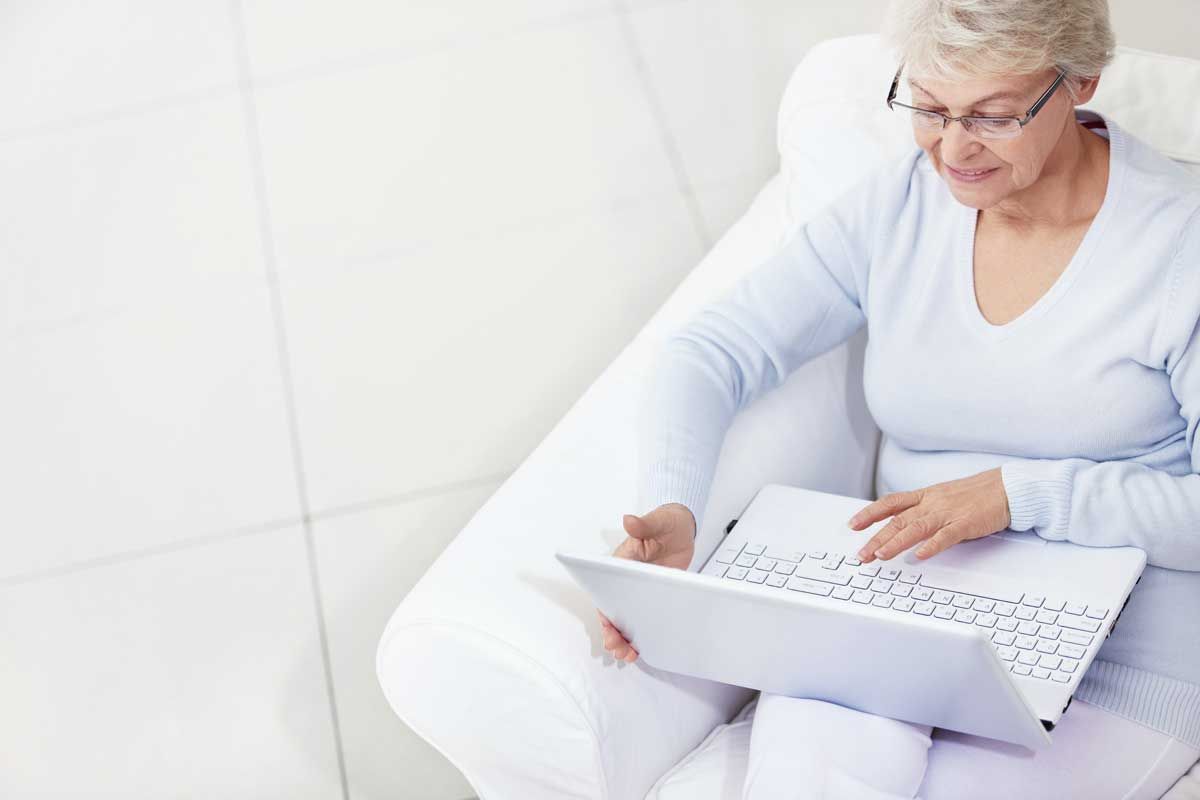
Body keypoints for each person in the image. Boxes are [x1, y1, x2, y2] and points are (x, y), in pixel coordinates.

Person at [595, 0, 1200, 797]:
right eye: (930, 107)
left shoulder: (1178, 242)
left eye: (992, 115)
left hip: (1118, 660)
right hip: (897, 614)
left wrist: (1018, 496)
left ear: (1081, 80)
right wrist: (676, 510)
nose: (953, 148)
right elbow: (715, 349)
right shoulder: (903, 205)